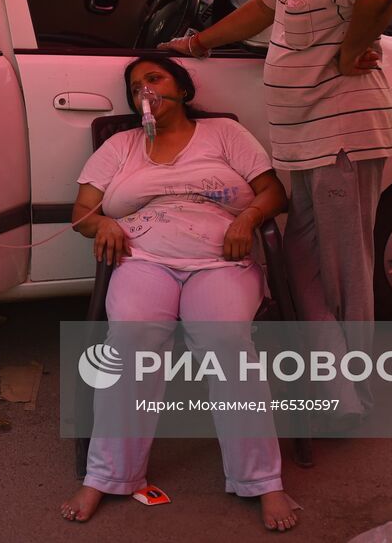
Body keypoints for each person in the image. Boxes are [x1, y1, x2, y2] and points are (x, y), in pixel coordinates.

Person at [163, 0, 392, 418]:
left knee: (343, 271)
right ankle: (336, 384)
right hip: (308, 139)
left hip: (340, 137)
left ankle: (355, 389)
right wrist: (198, 43)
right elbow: (262, 11)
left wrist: (347, 53)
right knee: (301, 260)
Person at [59, 57, 297, 530]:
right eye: (134, 87)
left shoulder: (224, 135)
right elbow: (83, 211)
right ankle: (107, 475)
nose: (143, 90)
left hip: (219, 261)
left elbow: (273, 193)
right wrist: (103, 221)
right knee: (128, 342)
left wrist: (248, 219)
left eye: (154, 79)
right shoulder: (122, 146)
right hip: (144, 260)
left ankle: (262, 481)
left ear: (183, 90)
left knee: (227, 343)